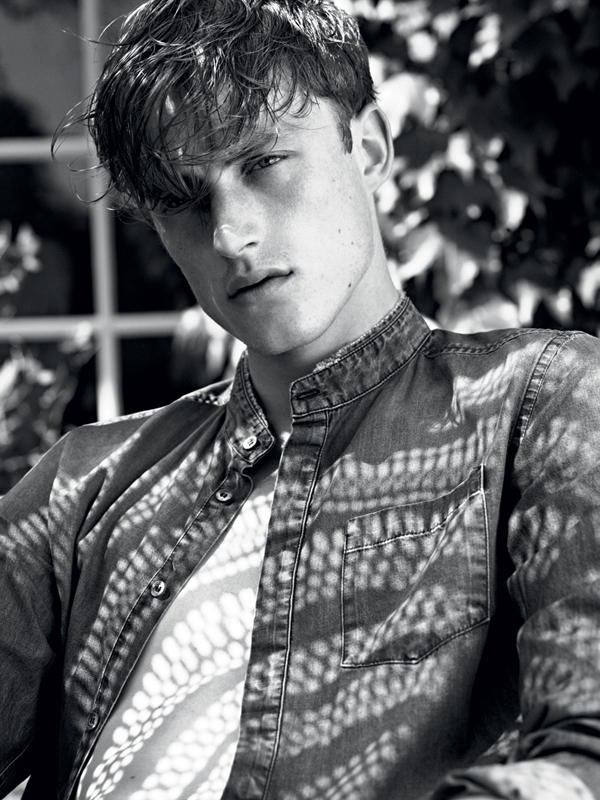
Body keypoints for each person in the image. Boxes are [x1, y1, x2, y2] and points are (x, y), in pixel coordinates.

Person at [2, 0, 600, 798]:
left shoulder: (539, 401)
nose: (230, 236)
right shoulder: (86, 484)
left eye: (264, 162)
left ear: (370, 147)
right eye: (183, 199)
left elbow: (587, 759)